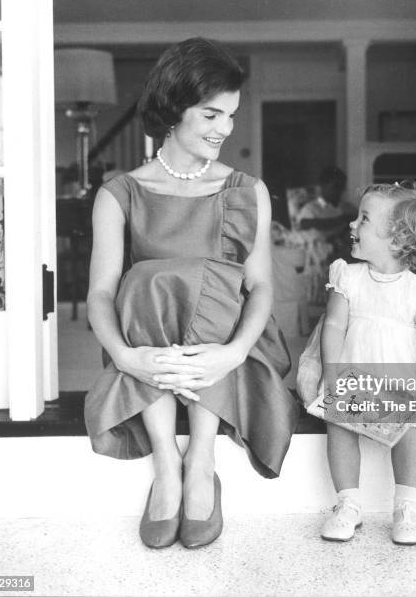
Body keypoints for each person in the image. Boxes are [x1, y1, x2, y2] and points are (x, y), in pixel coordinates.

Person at [84, 38, 300, 550]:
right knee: (147, 278)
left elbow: (261, 285)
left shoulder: (247, 189)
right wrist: (124, 357)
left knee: (215, 275)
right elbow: (100, 292)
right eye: (210, 114)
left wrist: (233, 352)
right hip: (148, 342)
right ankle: (167, 462)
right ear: (173, 109)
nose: (224, 129)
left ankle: (201, 459)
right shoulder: (120, 192)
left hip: (233, 345)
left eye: (230, 115)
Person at [299, 180, 416, 545]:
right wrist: (332, 373)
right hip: (352, 374)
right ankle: (348, 503)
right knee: (339, 426)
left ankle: (407, 506)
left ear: (396, 239)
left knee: (409, 432)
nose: (352, 224)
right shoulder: (347, 277)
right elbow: (333, 326)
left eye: (364, 219)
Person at [297, 166, 355, 240]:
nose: (340, 191)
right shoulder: (311, 208)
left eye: (342, 187)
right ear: (323, 186)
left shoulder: (346, 207)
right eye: (336, 187)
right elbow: (304, 224)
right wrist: (343, 219)